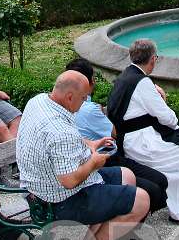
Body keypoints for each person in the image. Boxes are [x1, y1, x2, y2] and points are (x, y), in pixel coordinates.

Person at [19, 71, 151, 240]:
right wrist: (94, 162)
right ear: (70, 96)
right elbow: (69, 180)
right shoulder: (60, 131)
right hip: (57, 201)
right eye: (83, 98)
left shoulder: (39, 101)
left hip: (40, 187)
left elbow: (60, 142)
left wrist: (90, 144)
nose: (84, 104)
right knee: (142, 200)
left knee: (127, 176)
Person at [104, 39, 179, 224]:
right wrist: (163, 98)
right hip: (144, 143)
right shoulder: (142, 82)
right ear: (153, 59)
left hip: (133, 139)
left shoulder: (124, 77)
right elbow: (168, 118)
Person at [64, 58, 168, 214]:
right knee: (154, 190)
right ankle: (129, 218)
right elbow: (115, 133)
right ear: (90, 81)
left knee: (157, 182)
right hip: (103, 161)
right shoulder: (87, 109)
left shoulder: (73, 106)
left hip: (96, 160)